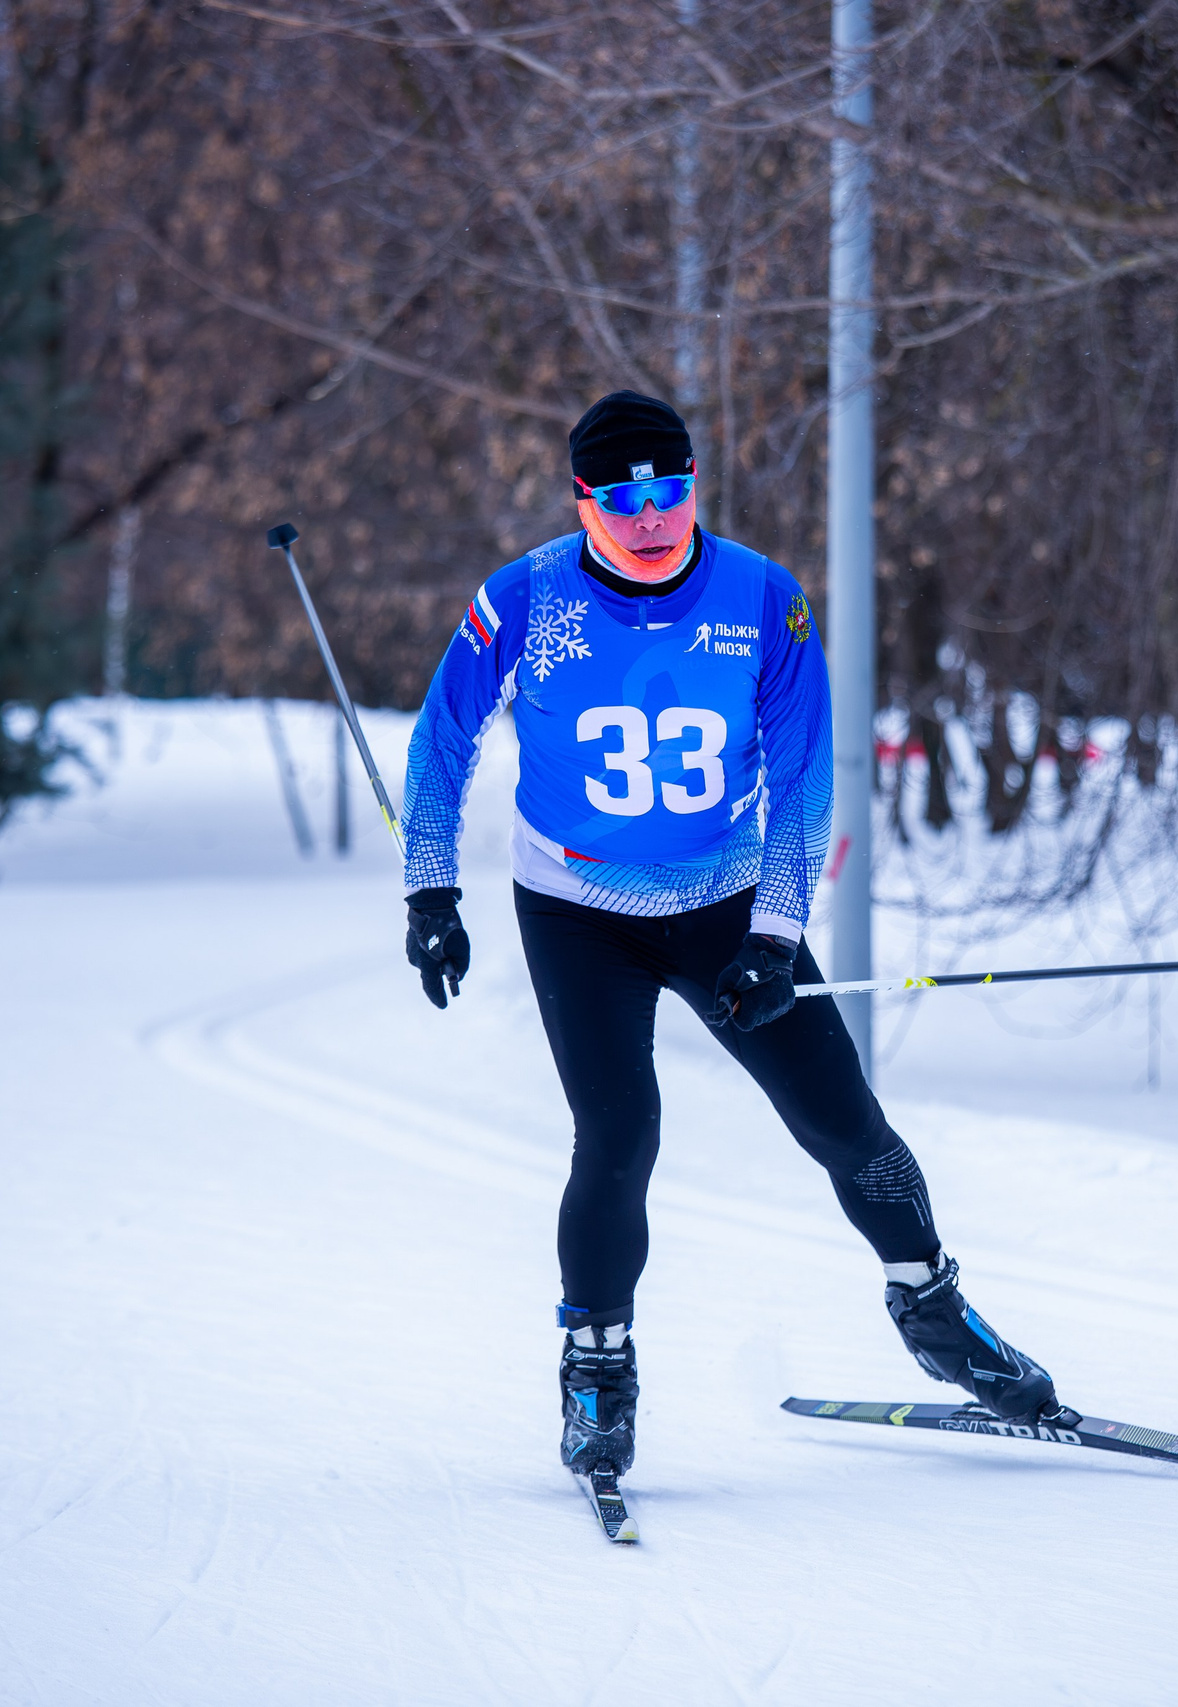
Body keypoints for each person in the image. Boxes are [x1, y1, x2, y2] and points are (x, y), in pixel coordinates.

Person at [396, 392, 1062, 1488]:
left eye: (671, 491)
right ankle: (597, 1368)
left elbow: (804, 780)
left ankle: (934, 1309)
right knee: (618, 1136)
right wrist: (432, 895)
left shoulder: (764, 599)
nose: (652, 516)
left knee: (846, 1125)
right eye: (624, 498)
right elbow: (442, 738)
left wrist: (773, 933)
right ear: (584, 501)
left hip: (726, 905)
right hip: (576, 910)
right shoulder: (522, 599)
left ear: (694, 482)